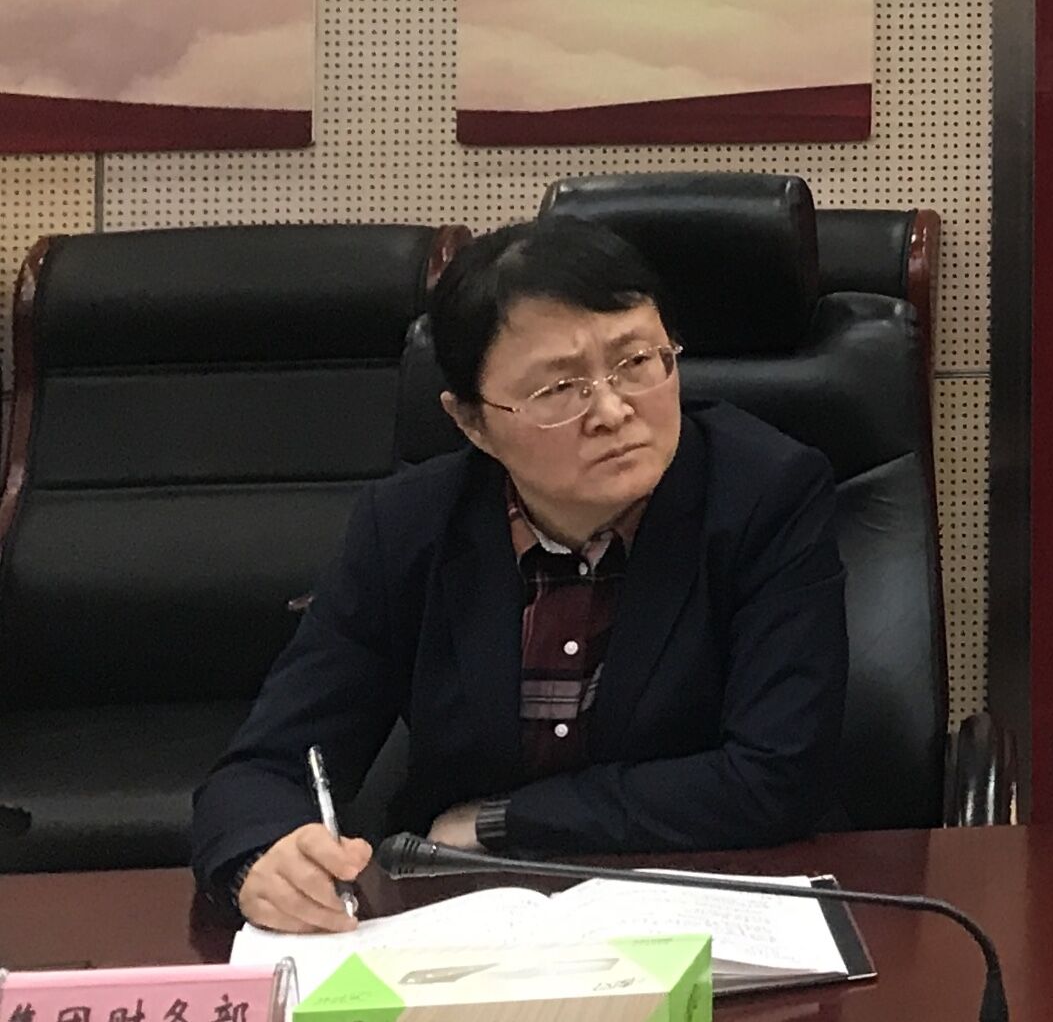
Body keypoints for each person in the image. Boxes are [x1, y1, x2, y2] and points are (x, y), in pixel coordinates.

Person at [191, 220, 849, 931]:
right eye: (560, 388)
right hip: (460, 920)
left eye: (637, 361)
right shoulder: (408, 526)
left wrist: (503, 820)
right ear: (472, 423)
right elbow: (262, 771)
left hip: (705, 905)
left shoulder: (765, 496)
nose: (613, 410)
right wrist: (263, 857)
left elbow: (775, 776)